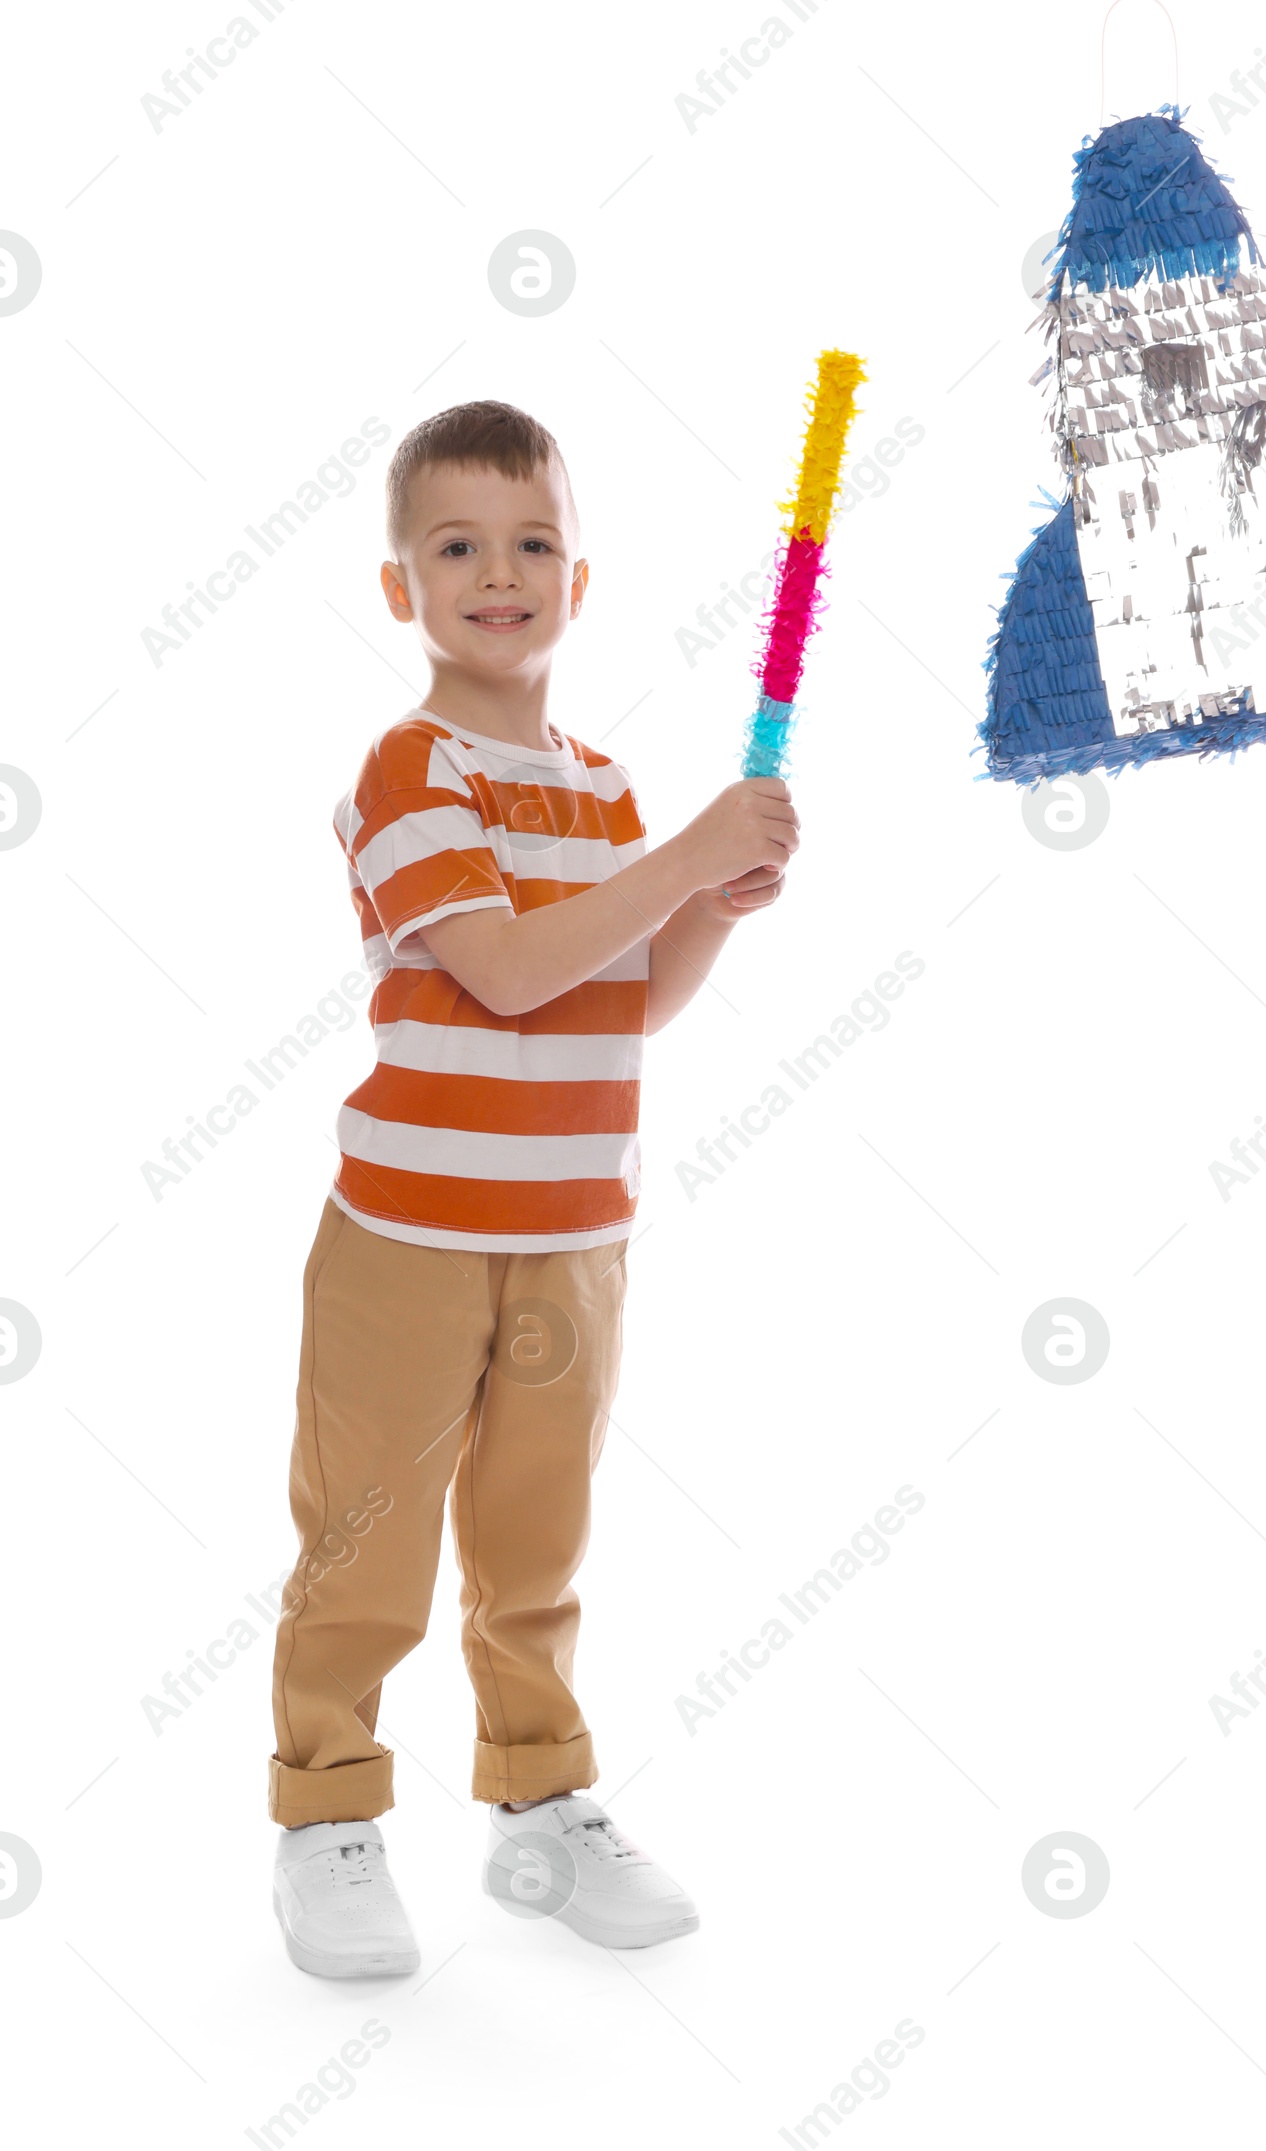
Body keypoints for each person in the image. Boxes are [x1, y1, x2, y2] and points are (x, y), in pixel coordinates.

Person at [268, 399, 798, 1977]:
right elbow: (502, 975)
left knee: (535, 1544)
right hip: (409, 1239)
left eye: (533, 542)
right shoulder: (410, 768)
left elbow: (620, 996)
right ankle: (325, 1818)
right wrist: (688, 852)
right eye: (457, 546)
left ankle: (541, 1807)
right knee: (364, 1539)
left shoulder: (605, 788)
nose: (499, 572)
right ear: (401, 589)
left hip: (574, 1240)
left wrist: (718, 899)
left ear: (581, 579)